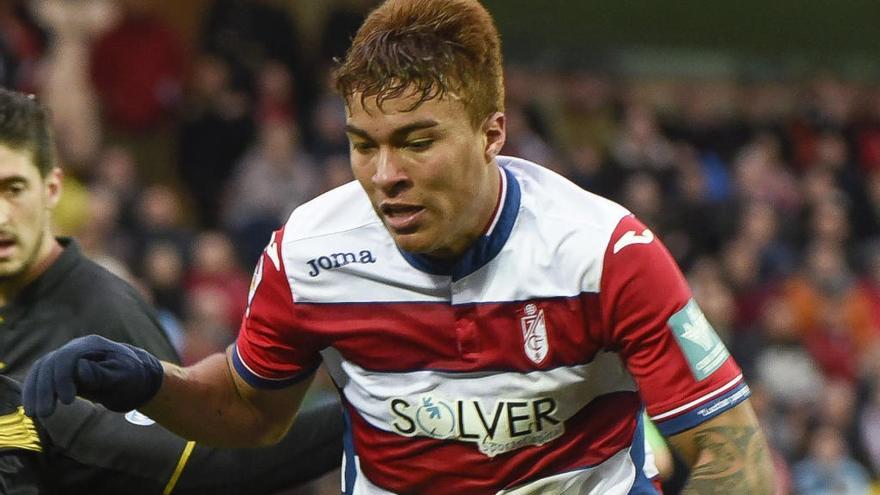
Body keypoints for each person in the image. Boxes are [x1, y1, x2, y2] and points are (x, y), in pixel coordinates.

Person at [24, 1, 776, 493]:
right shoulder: (308, 254)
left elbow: (732, 455)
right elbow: (252, 413)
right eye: (363, 145)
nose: (386, 176)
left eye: (417, 141)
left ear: (491, 133)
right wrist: (152, 384)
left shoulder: (604, 253)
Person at [0, 88, 343, 493]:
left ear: (52, 189)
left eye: (14, 188)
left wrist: (373, 406)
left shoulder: (105, 316)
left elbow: (208, 465)